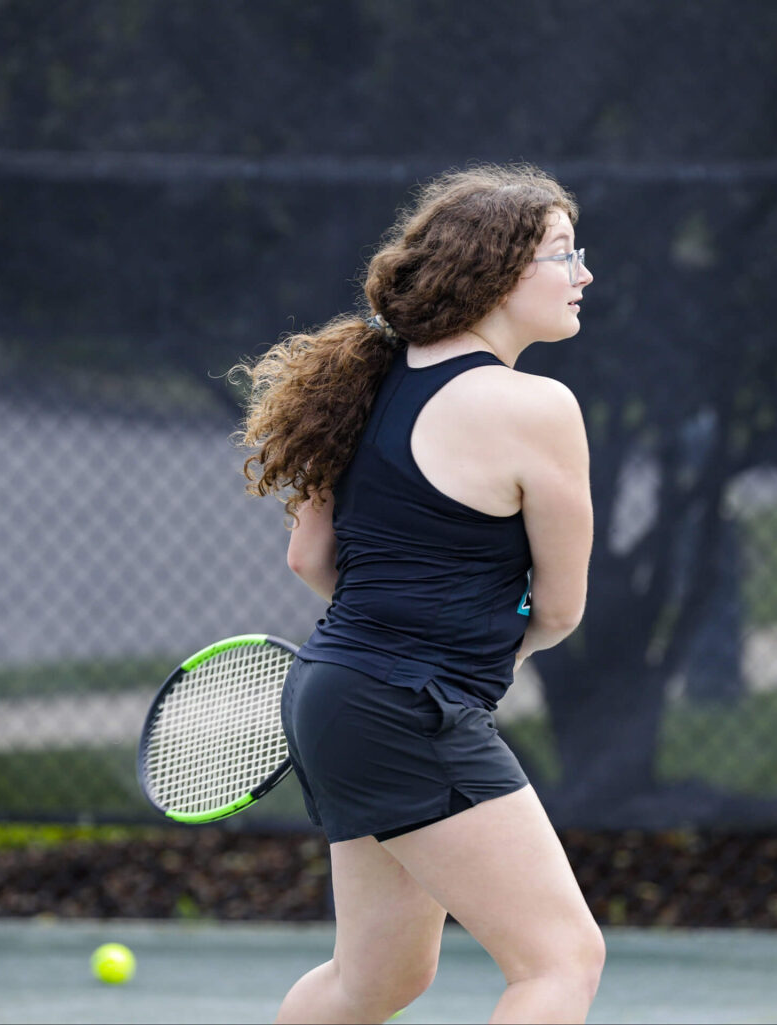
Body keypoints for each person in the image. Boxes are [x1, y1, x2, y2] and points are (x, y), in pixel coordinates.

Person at [235, 164, 602, 1025]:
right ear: (500, 272)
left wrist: (404, 641)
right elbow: (559, 610)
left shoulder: (366, 385)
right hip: (410, 705)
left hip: (335, 692)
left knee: (377, 980)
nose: (583, 273)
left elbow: (309, 558)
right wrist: (452, 654)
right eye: (562, 253)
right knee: (561, 961)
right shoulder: (536, 407)